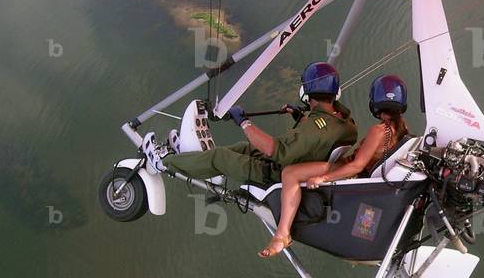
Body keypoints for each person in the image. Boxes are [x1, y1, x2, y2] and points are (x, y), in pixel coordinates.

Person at [259, 74, 410, 258]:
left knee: (290, 173)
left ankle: (282, 234)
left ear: (374, 102)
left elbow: (356, 166)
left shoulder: (378, 131)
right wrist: (299, 116)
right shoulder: (402, 130)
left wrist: (324, 178)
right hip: (358, 174)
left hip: (349, 173)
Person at [143, 62, 358, 186]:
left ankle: (163, 163)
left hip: (275, 173)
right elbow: (317, 139)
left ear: (307, 92)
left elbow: (277, 151)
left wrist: (244, 122)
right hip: (301, 160)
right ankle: (191, 159)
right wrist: (299, 117)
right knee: (241, 148)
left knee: (221, 156)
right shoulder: (345, 122)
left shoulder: (316, 126)